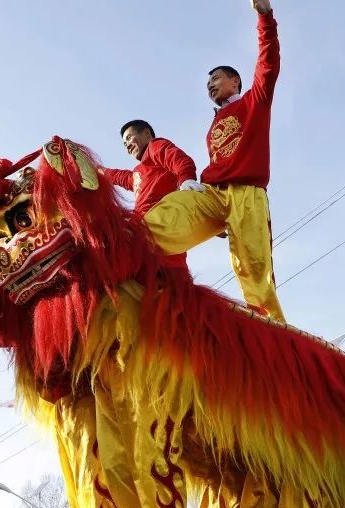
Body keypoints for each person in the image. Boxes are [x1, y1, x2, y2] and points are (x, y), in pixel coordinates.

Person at [143, 0, 286, 321]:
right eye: (208, 83)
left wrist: (265, 17)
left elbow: (268, 64)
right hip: (211, 194)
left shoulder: (254, 102)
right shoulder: (214, 121)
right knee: (156, 223)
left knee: (253, 269)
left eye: (217, 79)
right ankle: (144, 283)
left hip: (247, 195)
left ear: (235, 82)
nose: (210, 85)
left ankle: (274, 333)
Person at [102, 120, 198, 269]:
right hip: (143, 228)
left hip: (160, 224)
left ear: (147, 134)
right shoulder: (138, 172)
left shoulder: (155, 147)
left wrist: (187, 179)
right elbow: (117, 176)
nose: (127, 145)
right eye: (124, 144)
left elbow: (176, 158)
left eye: (128, 138)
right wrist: (95, 171)